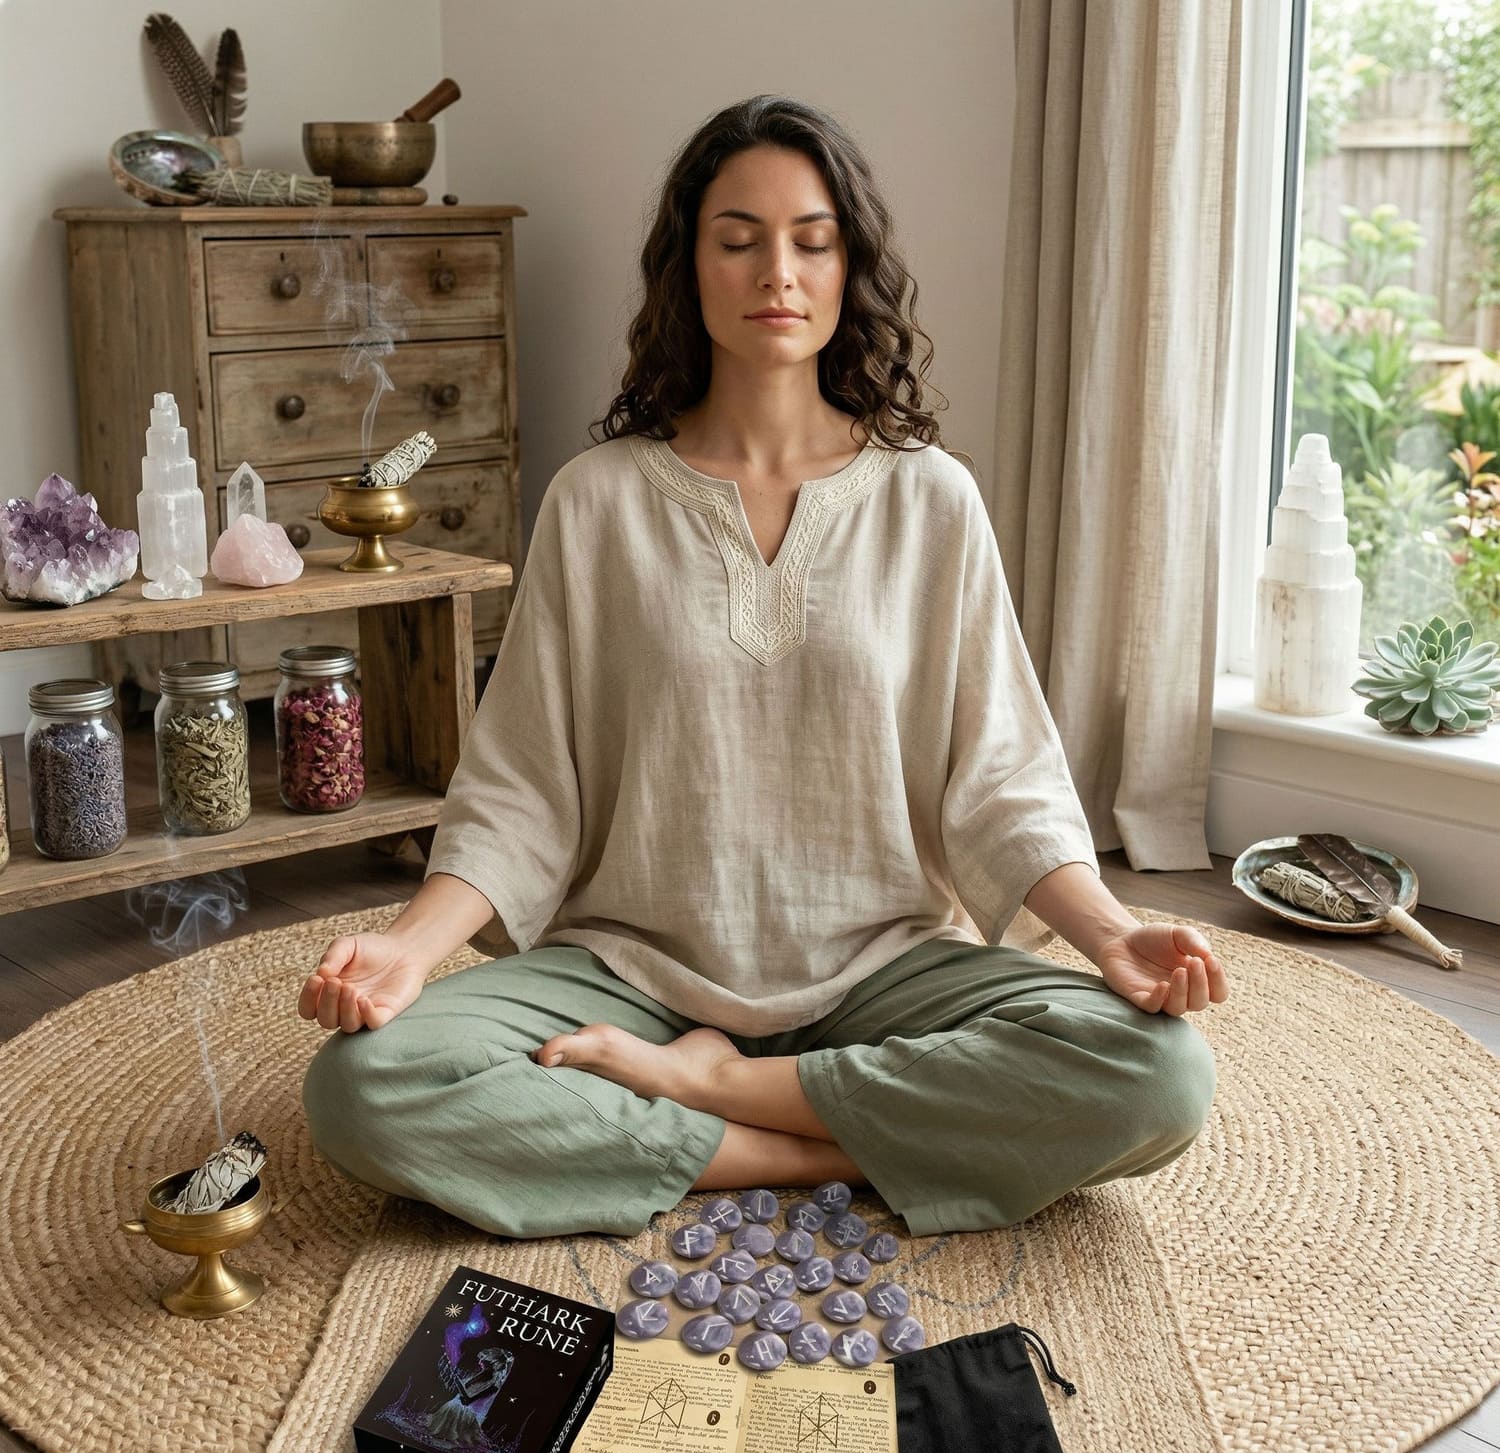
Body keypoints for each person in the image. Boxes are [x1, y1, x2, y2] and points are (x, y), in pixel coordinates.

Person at [297, 95, 1227, 1242]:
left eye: (810, 240)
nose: (775, 271)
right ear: (689, 268)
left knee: (1159, 1076)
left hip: (883, 973)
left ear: (850, 268)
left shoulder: (930, 500)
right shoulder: (599, 504)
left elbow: (1001, 782)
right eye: (737, 240)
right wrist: (406, 948)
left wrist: (1107, 934)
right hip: (629, 972)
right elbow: (523, 790)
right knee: (362, 1092)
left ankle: (716, 1102)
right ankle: (813, 1151)